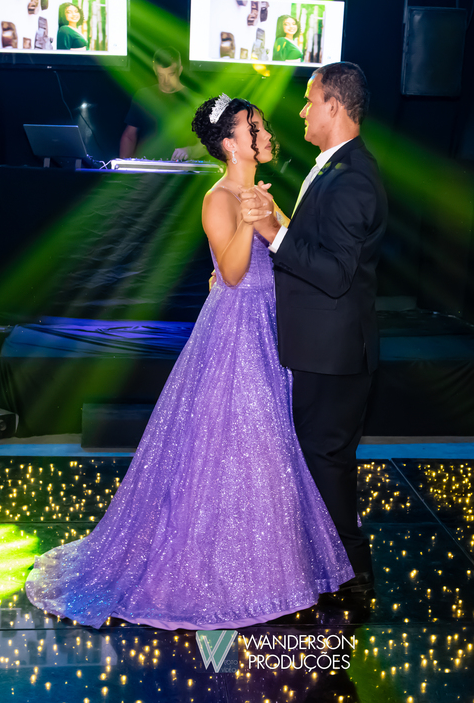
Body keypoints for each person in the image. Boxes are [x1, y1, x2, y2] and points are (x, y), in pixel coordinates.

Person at [24, 94, 353, 629]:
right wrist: (249, 221)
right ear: (231, 144)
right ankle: (227, 573)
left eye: (262, 125)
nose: (265, 133)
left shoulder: (259, 193)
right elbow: (232, 273)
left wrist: (268, 217)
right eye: (255, 127)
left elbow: (290, 253)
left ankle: (269, 569)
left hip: (272, 323)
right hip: (236, 328)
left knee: (270, 442)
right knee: (244, 438)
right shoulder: (218, 197)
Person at [244, 62, 388, 595]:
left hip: (333, 352)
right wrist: (281, 220)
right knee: (322, 459)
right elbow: (321, 245)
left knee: (325, 461)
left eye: (310, 100)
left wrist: (272, 233)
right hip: (326, 347)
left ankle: (350, 572)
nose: (302, 111)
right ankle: (331, 565)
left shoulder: (353, 178)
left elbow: (334, 273)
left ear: (334, 105)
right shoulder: (336, 167)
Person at [119, 48, 207, 162]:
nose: (166, 81)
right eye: (161, 75)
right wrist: (124, 166)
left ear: (180, 70)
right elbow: (129, 136)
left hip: (182, 168)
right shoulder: (143, 95)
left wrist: (190, 151)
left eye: (171, 74)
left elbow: (209, 143)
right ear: (155, 69)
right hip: (148, 167)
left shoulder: (194, 100)